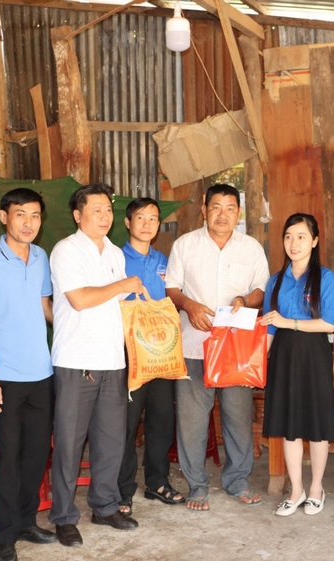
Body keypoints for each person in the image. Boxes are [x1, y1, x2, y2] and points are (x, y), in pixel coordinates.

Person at [48, 184, 147, 547]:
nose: (105, 217)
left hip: (112, 359)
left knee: (111, 440)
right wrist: (122, 285)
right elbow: (79, 299)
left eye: (108, 210)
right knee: (69, 444)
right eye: (96, 210)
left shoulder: (115, 253)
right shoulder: (66, 250)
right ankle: (63, 516)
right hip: (77, 360)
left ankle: (105, 506)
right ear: (78, 215)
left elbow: (118, 304)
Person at [165, 183, 270, 512]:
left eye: (229, 208)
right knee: (192, 421)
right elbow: (172, 287)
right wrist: (188, 305)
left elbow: (261, 289)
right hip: (194, 345)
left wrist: (244, 300)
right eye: (216, 207)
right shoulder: (185, 245)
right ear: (204, 210)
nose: (222, 214)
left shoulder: (251, 248)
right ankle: (197, 486)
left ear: (238, 213)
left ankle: (237, 480)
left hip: (236, 349)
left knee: (238, 418)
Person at [0, 188, 56, 561]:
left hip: (42, 373)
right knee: (7, 455)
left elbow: (46, 308)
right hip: (4, 376)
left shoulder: (41, 258)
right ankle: (4, 534)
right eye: (21, 214)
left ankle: (25, 521)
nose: (28, 223)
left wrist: (82, 322)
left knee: (36, 453)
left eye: (35, 215)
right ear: (4, 217)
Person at [259, 214, 334, 517]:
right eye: (289, 236)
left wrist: (289, 322)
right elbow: (270, 327)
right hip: (283, 357)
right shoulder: (275, 281)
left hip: (314, 356)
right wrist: (259, 364)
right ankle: (296, 490)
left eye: (301, 237)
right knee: (289, 428)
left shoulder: (326, 278)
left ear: (315, 241)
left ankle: (316, 488)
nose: (294, 243)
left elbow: (329, 323)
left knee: (317, 428)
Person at [116, 197, 185, 515]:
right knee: (126, 424)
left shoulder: (164, 261)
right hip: (128, 353)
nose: (147, 224)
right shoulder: (115, 259)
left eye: (153, 219)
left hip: (160, 353)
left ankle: (157, 482)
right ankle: (122, 490)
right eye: (140, 218)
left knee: (162, 419)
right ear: (128, 222)